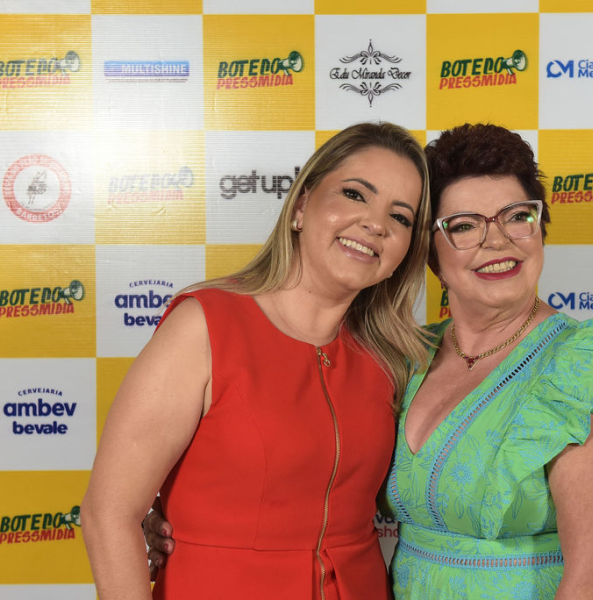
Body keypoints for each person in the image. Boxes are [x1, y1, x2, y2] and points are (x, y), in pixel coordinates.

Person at [143, 124, 593, 599]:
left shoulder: (583, 367)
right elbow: (308, 473)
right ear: (430, 252)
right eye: (464, 225)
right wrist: (180, 517)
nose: (498, 240)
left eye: (518, 217)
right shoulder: (403, 357)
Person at [81, 121, 433, 600]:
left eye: (401, 217)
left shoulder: (395, 358)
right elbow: (107, 514)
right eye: (355, 194)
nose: (376, 223)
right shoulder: (204, 327)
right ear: (302, 206)